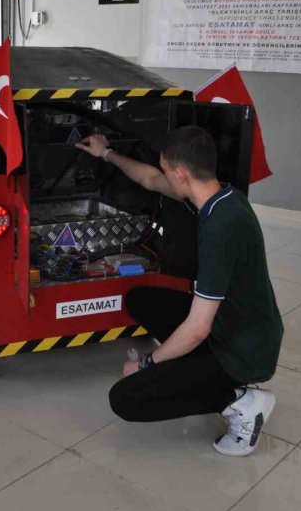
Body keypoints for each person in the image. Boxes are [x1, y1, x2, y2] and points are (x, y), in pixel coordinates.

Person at [76, 126, 284, 457]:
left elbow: (197, 329)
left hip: (243, 351)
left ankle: (240, 402)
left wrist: (147, 365)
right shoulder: (218, 196)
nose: (163, 176)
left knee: (126, 399)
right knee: (141, 299)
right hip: (234, 325)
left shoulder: (220, 228)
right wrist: (105, 152)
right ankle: (194, 372)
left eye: (167, 170)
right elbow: (149, 179)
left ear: (181, 173)